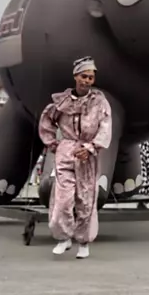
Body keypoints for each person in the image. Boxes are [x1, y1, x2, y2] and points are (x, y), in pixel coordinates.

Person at [38, 56, 113, 259]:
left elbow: (105, 128)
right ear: (75, 76)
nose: (87, 80)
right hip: (66, 152)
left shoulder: (99, 102)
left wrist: (91, 148)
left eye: (90, 77)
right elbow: (46, 121)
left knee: (86, 200)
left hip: (88, 156)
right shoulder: (61, 102)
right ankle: (63, 238)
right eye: (83, 76)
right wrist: (54, 144)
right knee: (63, 199)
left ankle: (84, 242)